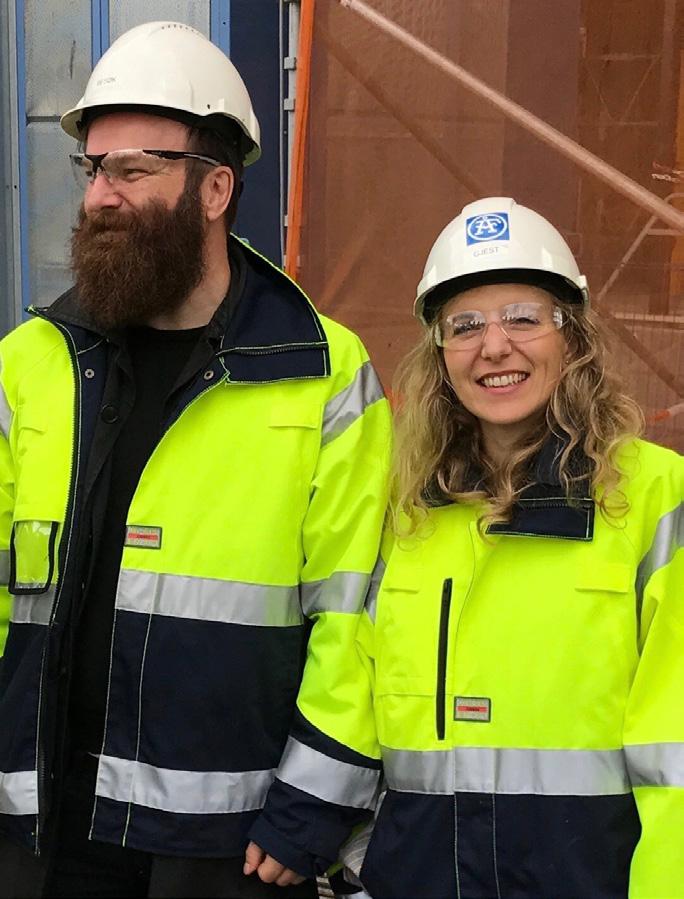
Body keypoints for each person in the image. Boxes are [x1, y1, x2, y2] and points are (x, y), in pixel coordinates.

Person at [0, 21, 391, 899]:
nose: (100, 196)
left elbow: (358, 619)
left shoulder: (323, 374)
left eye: (133, 170)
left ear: (215, 188)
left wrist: (312, 806)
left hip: (225, 846)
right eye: (93, 170)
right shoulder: (29, 363)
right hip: (38, 830)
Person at [248, 197, 684, 898]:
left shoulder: (656, 498)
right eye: (466, 326)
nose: (494, 346)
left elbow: (676, 744)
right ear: (439, 352)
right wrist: (307, 813)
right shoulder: (409, 507)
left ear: (571, 338)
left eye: (523, 318)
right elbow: (354, 676)